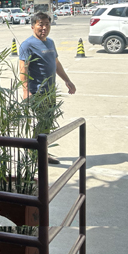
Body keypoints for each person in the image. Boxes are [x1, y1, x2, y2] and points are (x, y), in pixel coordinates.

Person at [19, 11, 76, 164]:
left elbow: (56, 63)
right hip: (37, 92)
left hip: (50, 91)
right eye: (40, 24)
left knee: (48, 122)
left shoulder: (50, 42)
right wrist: (26, 91)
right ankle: (36, 152)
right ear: (33, 26)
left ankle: (39, 151)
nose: (44, 28)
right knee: (44, 121)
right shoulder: (27, 45)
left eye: (47, 24)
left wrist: (67, 80)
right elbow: (23, 69)